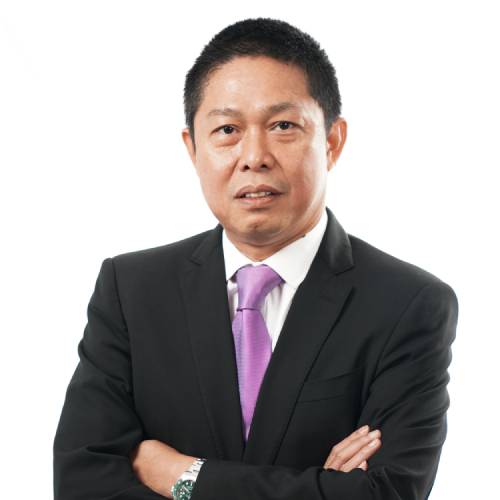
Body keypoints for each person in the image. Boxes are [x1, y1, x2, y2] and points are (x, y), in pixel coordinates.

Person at [53, 17, 459, 500]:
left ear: (332, 141)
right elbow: (82, 483)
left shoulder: (407, 304)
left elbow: (385, 494)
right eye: (227, 129)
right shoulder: (131, 290)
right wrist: (323, 488)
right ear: (193, 148)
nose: (254, 156)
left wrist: (184, 476)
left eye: (283, 126)